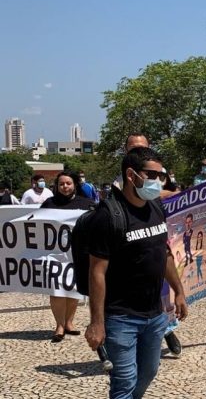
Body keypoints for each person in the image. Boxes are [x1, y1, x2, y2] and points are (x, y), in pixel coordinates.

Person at [84, 147, 188, 398]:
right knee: (124, 381)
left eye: (161, 175)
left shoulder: (155, 208)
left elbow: (162, 255)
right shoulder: (108, 216)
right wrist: (97, 322)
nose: (158, 181)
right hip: (121, 317)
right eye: (152, 174)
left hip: (154, 314)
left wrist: (179, 291)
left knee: (149, 371)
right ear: (131, 175)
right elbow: (96, 272)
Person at [113, 133, 183, 358]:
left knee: (162, 291)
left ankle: (167, 330)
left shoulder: (157, 174)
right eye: (133, 148)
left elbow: (166, 194)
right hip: (132, 247)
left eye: (142, 148)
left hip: (157, 239)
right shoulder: (121, 179)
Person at [40, 172, 95, 342]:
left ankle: (69, 322)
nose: (65, 187)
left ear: (75, 185)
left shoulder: (87, 204)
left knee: (73, 289)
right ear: (57, 186)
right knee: (56, 290)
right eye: (62, 184)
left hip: (78, 254)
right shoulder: (49, 203)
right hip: (55, 255)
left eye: (68, 183)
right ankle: (59, 325)